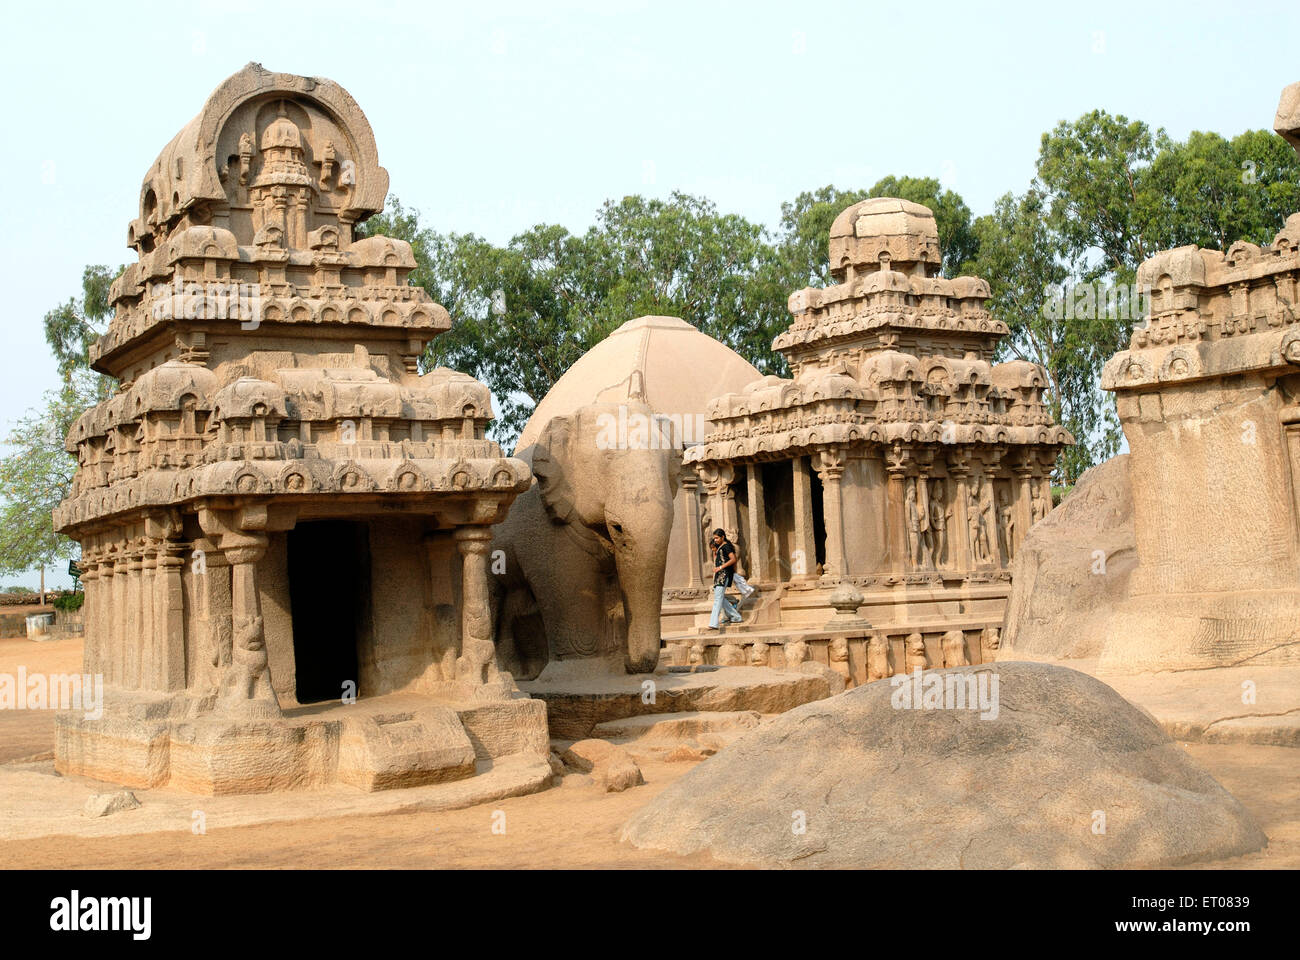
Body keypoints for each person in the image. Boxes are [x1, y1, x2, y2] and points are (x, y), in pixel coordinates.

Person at [708, 528, 743, 629]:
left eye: (717, 538)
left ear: (723, 537)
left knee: (717, 599)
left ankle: (713, 623)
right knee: (720, 598)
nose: (715, 540)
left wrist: (720, 567)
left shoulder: (727, 546)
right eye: (714, 538)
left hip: (724, 575)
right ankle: (736, 616)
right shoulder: (720, 548)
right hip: (719, 576)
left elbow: (733, 559)